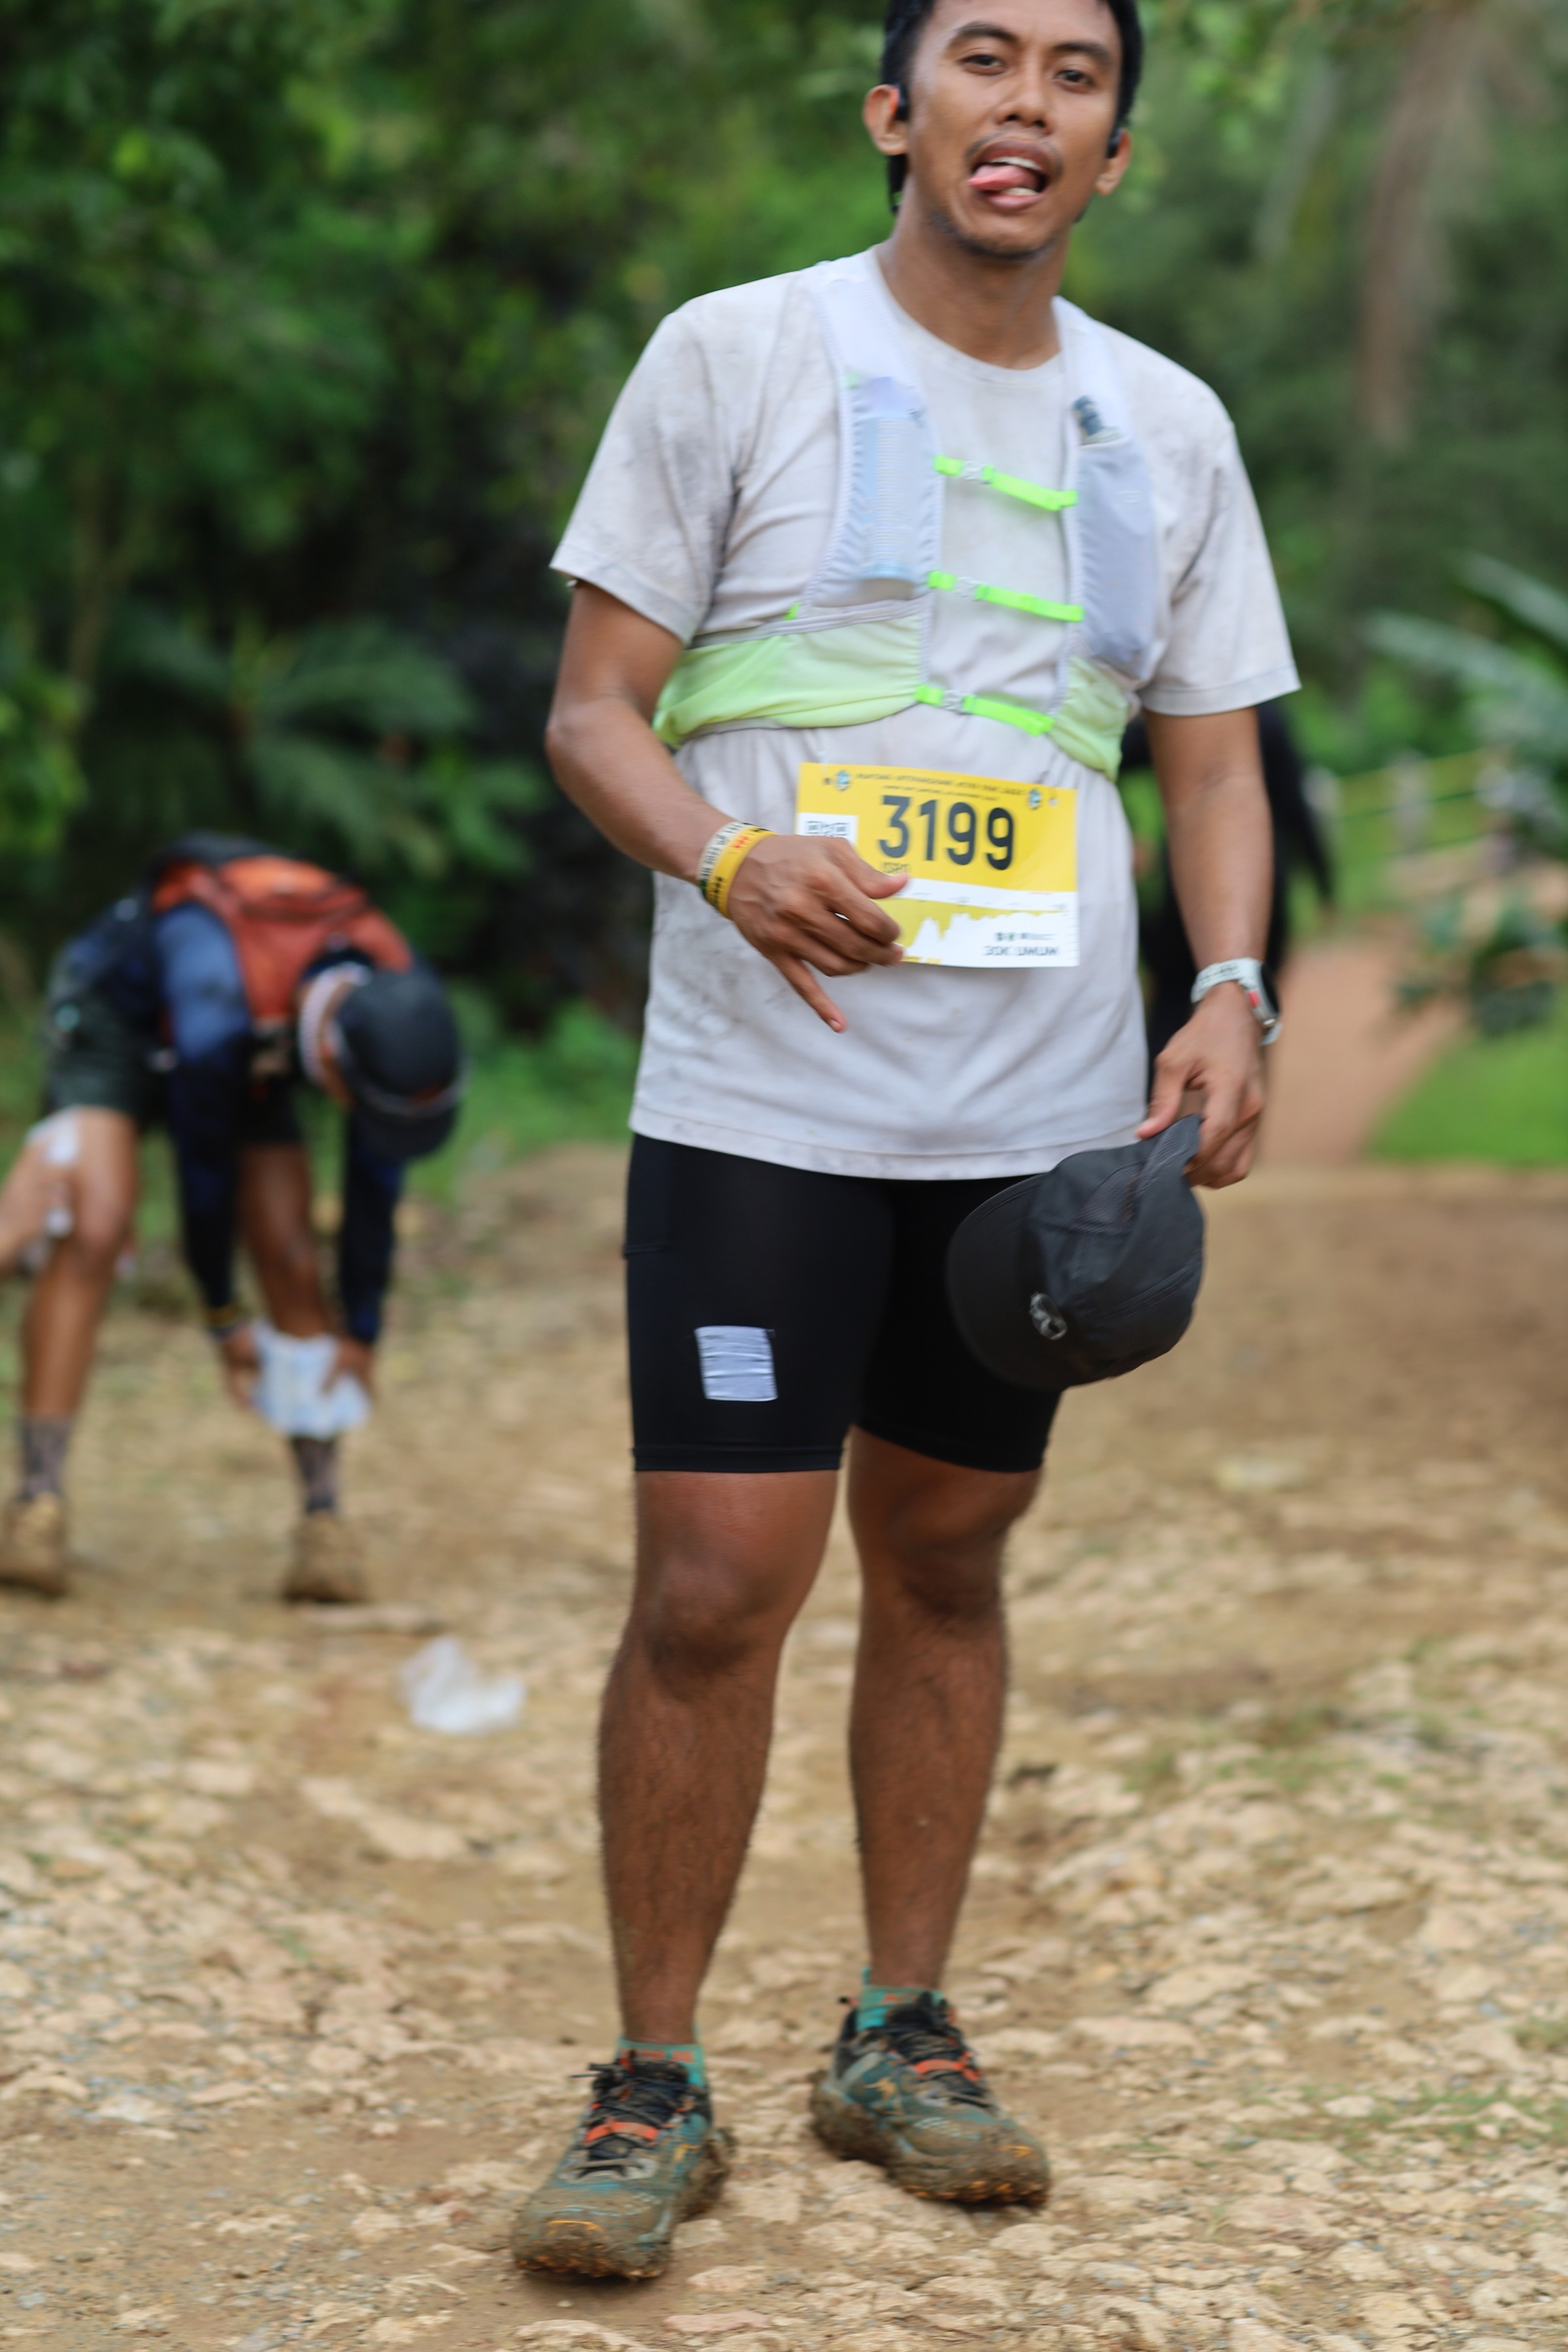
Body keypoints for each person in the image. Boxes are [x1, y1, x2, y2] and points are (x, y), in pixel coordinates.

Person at [513, 0, 1298, 2280]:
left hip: (1036, 1127)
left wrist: (1228, 989)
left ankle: (898, 2033)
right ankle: (651, 2080)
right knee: (712, 1587)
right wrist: (728, 860)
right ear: (894, 110)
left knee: (947, 1559)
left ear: (1112, 150)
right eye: (981, 57)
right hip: (763, 1100)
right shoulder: (735, 353)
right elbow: (593, 713)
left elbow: (1214, 763)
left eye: (1074, 72)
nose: (1023, 104)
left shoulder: (1167, 424)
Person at [0, 834, 465, 1605]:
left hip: (261, 1039)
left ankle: (323, 1519)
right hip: (121, 1022)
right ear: (328, 1057)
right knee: (93, 1225)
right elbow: (204, 1171)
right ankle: (35, 1505)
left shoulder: (395, 1002)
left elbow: (376, 1170)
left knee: (289, 1251)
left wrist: (363, 1325)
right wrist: (222, 1316)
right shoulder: (217, 1004)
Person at [1122, 700, 1331, 1062]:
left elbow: (1107, 755)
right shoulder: (1266, 715)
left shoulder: (1186, 711)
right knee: (1249, 1011)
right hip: (1258, 890)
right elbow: (1296, 805)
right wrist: (1324, 883)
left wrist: (1124, 831)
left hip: (1190, 893)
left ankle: (1158, 1092)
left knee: (1172, 1004)